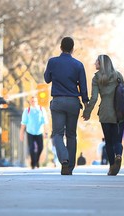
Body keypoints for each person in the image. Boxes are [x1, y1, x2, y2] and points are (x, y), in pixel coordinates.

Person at [44, 37, 89, 175]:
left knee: (57, 134)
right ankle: (69, 166)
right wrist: (86, 104)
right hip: (73, 102)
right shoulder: (78, 65)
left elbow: (47, 79)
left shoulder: (53, 62)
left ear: (61, 47)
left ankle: (64, 160)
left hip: (57, 101)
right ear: (72, 48)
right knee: (71, 135)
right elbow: (83, 86)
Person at [82, 54, 124, 176]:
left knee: (108, 141)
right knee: (117, 140)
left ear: (101, 64)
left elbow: (94, 98)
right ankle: (118, 155)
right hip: (120, 112)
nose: (94, 63)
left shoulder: (96, 78)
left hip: (105, 112)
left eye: (96, 61)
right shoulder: (118, 75)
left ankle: (112, 166)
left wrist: (87, 112)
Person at [20, 96, 48, 169]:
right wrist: (21, 133)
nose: (33, 102)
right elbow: (23, 123)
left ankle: (37, 161)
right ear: (30, 102)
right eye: (32, 101)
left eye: (35, 101)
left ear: (37, 102)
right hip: (30, 132)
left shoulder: (41, 110)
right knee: (31, 148)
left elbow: (45, 122)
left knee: (41, 147)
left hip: (39, 132)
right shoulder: (27, 110)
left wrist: (46, 132)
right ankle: (33, 163)